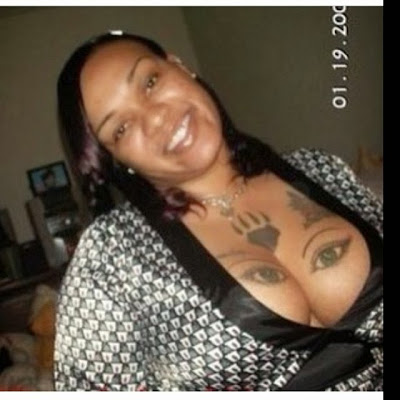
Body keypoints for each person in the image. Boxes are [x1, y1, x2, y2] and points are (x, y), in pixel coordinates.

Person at [54, 31, 383, 391]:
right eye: (121, 128)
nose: (156, 118)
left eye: (150, 81)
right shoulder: (110, 256)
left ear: (180, 66)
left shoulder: (319, 168)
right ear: (118, 161)